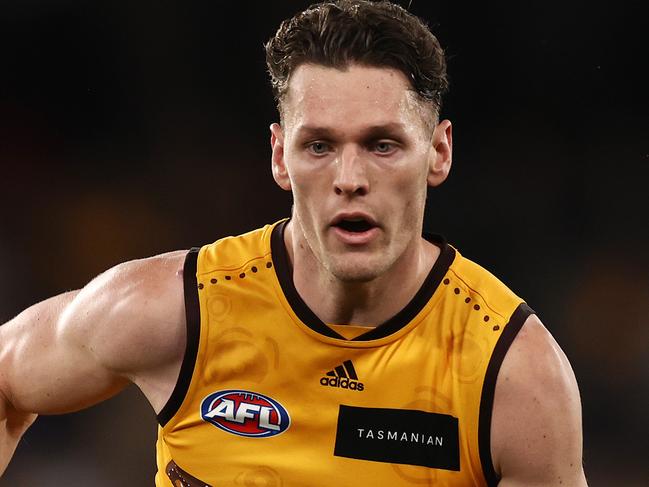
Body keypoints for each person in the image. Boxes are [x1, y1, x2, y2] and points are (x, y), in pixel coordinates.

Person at [0, 1, 587, 485]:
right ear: (280, 155)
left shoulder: (513, 376)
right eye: (319, 146)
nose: (350, 178)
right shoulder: (175, 311)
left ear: (439, 151)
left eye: (382, 144)